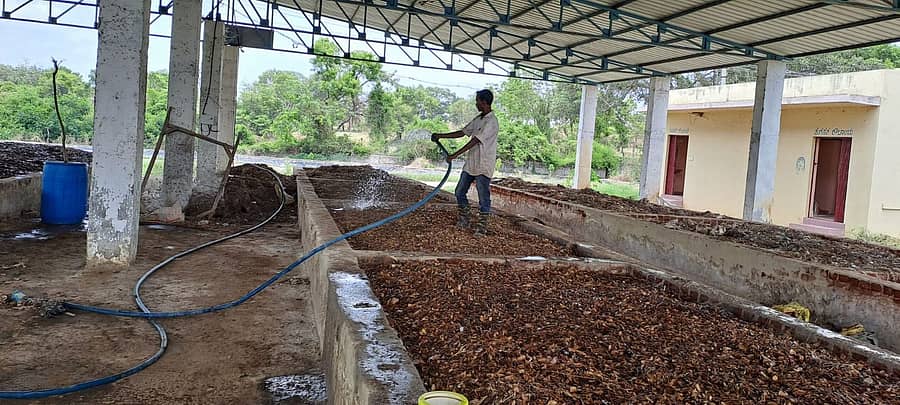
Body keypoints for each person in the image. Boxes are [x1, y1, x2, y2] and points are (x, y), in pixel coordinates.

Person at [431, 89, 499, 236]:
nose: (476, 104)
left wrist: (454, 155)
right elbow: (463, 132)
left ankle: (482, 227)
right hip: (471, 164)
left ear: (484, 102)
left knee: (483, 197)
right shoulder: (478, 119)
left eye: (478, 101)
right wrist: (440, 136)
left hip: (483, 164)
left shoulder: (491, 122)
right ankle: (465, 218)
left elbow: (475, 141)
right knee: (459, 191)